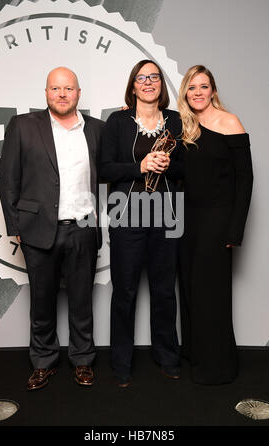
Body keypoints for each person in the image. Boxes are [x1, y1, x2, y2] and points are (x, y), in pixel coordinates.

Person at [0, 66, 104, 390]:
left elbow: (119, 158)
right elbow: (7, 178)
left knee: (82, 301)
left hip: (83, 228)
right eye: (55, 88)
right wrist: (16, 224)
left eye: (68, 88)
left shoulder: (97, 129)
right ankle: (43, 362)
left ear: (78, 93)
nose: (62, 94)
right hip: (39, 230)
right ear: (46, 93)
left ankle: (83, 360)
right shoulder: (23, 126)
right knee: (42, 302)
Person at [100, 59, 183, 387]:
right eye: (141, 78)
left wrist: (168, 166)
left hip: (167, 213)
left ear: (161, 85)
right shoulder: (117, 122)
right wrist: (141, 165)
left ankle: (167, 355)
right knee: (125, 290)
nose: (148, 82)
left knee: (164, 290)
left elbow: (188, 170)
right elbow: (105, 169)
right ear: (132, 85)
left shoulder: (176, 121)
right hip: (126, 212)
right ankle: (121, 361)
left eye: (154, 77)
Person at [177, 65, 253, 384]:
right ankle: (194, 357)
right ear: (185, 92)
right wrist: (130, 105)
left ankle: (218, 366)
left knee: (212, 293)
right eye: (191, 87)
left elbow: (246, 179)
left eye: (203, 86)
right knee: (190, 289)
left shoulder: (230, 122)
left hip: (218, 219)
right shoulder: (184, 126)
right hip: (187, 220)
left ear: (213, 90)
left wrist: (235, 230)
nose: (198, 92)